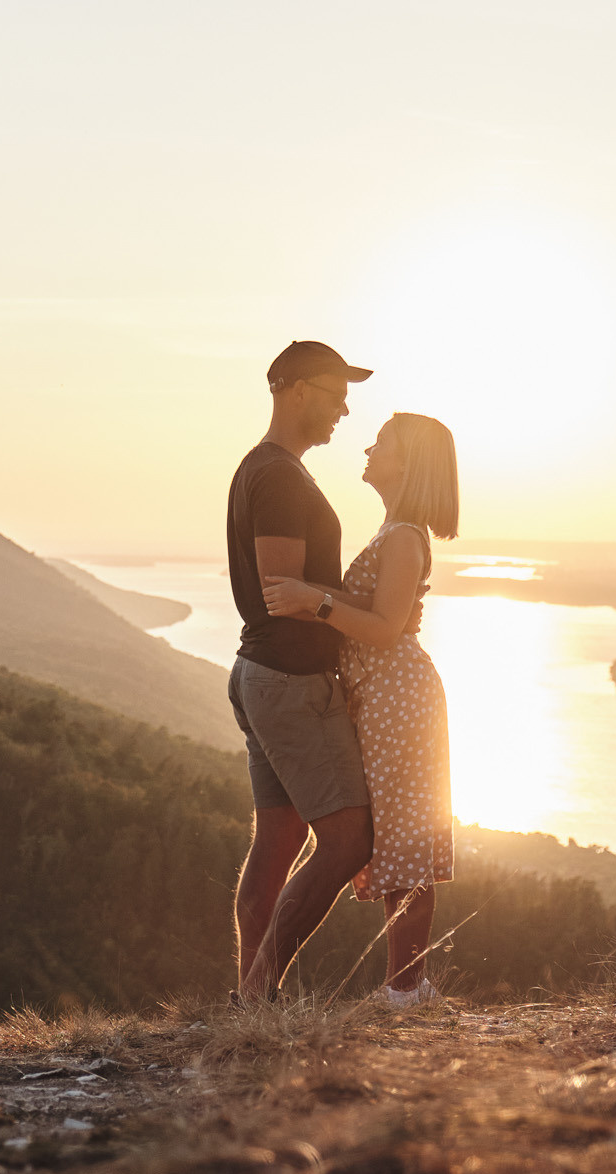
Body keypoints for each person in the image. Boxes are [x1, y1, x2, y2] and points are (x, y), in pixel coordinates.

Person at [263, 412, 457, 1008]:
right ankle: (408, 985)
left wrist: (312, 600)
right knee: (396, 837)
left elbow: (383, 626)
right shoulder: (394, 527)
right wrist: (314, 598)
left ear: (408, 464)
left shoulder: (403, 536)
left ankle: (405, 989)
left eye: (382, 443)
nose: (368, 449)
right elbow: (369, 604)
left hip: (399, 696)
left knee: (406, 840)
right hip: (382, 696)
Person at [225, 341, 376, 1001]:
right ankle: (259, 993)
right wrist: (371, 609)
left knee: (280, 841)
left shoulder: (269, 468)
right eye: (334, 390)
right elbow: (281, 591)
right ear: (292, 388)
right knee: (347, 843)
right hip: (287, 682)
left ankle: (251, 1005)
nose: (345, 405)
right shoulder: (280, 477)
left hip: (264, 675)